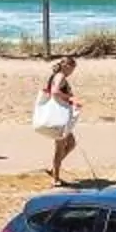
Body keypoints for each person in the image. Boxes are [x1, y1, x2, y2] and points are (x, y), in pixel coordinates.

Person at [37, 55, 81, 184]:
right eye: (72, 69)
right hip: (58, 117)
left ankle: (53, 169)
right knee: (60, 146)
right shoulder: (60, 76)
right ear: (67, 66)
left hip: (61, 116)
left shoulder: (58, 76)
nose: (72, 72)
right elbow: (55, 92)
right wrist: (70, 98)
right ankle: (55, 178)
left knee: (71, 143)